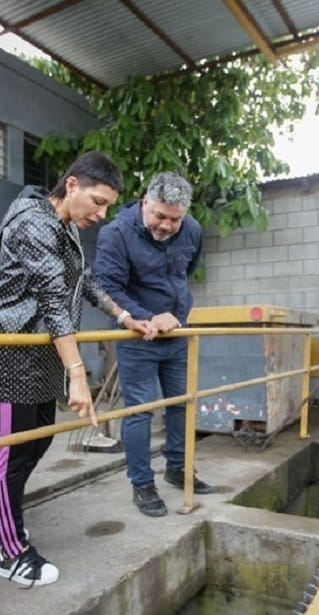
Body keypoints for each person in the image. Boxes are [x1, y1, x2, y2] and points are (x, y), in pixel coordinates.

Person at [0, 151, 154, 587]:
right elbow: (54, 300)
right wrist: (77, 373)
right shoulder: (35, 224)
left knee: (34, 445)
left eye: (108, 205)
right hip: (10, 354)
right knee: (11, 455)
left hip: (39, 357)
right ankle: (11, 554)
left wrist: (125, 316)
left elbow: (83, 282)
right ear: (71, 185)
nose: (102, 213)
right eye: (97, 201)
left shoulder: (63, 226)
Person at [94, 171, 213, 518]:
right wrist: (150, 315)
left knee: (181, 405)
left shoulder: (190, 229)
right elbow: (108, 289)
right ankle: (142, 484)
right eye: (159, 216)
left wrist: (173, 315)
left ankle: (177, 469)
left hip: (177, 335)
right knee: (140, 411)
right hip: (137, 336)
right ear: (145, 202)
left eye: (174, 219)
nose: (166, 225)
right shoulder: (115, 234)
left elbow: (185, 272)